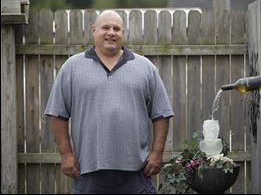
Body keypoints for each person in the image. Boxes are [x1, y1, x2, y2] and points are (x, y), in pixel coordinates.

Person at [44, 10, 174, 194]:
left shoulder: (145, 67)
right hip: (88, 173)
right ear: (94, 30)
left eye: (117, 29)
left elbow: (161, 114)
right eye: (105, 27)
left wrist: (157, 153)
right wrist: (66, 155)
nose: (111, 32)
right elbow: (58, 114)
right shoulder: (72, 67)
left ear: (123, 33)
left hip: (137, 174)